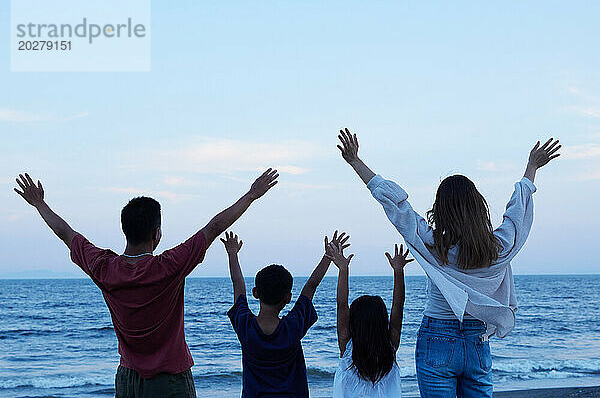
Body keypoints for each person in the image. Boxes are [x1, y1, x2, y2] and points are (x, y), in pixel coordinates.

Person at [13, 169, 279, 398]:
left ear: (124, 230)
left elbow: (66, 234)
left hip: (128, 380)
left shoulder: (104, 268)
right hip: (171, 381)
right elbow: (213, 228)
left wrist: (39, 204)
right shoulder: (169, 266)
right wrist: (251, 195)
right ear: (156, 234)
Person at [336, 128, 561, 398]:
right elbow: (518, 215)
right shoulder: (498, 249)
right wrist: (531, 169)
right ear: (479, 207)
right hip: (477, 341)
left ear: (439, 210)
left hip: (437, 339)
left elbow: (397, 207)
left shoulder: (434, 247)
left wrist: (355, 162)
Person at [222, 230, 350, 398]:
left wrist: (232, 254)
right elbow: (311, 286)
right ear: (288, 297)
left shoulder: (245, 325)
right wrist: (328, 256)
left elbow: (237, 283)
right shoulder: (293, 326)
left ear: (255, 293)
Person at [327, 241, 413, 398]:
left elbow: (341, 305)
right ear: (382, 322)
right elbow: (398, 306)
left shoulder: (347, 347)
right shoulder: (390, 346)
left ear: (353, 322)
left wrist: (343, 269)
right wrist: (398, 271)